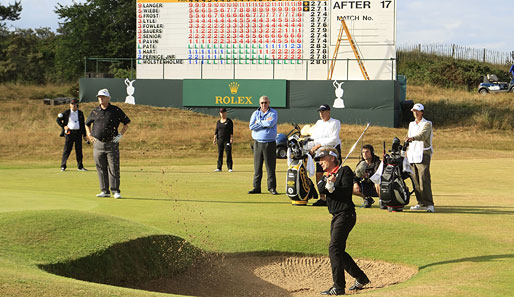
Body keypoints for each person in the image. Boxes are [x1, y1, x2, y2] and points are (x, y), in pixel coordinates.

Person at [315, 147, 370, 295]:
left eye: (322, 159)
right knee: (338, 250)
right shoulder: (326, 177)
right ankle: (361, 278)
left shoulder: (344, 171)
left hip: (346, 215)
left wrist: (333, 186)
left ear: (332, 158)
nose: (320, 162)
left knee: (334, 249)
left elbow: (346, 192)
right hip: (336, 217)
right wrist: (329, 184)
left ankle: (338, 287)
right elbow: (320, 189)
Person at [85, 89, 130, 199]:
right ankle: (105, 191)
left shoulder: (115, 110)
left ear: (108, 98)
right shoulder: (95, 111)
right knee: (101, 167)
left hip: (111, 144)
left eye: (103, 97)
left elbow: (126, 123)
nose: (100, 98)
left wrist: (119, 136)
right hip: (98, 144)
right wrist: (89, 135)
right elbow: (87, 124)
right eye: (99, 97)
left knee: (113, 167)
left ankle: (115, 191)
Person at [309, 104, 341, 206]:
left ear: (328, 111)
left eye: (323, 111)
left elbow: (333, 139)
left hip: (332, 150)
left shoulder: (335, 122)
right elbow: (314, 137)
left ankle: (334, 196)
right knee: (319, 173)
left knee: (333, 173)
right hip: (320, 151)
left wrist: (319, 144)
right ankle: (322, 198)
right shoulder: (318, 123)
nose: (321, 114)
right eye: (320, 112)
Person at [405, 103, 435, 213]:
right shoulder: (411, 124)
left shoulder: (427, 124)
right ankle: (421, 202)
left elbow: (423, 136)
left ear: (422, 112)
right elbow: (408, 138)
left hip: (423, 154)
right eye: (414, 111)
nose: (415, 113)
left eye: (417, 111)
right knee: (415, 180)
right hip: (412, 155)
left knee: (424, 179)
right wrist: (407, 151)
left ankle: (429, 204)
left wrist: (412, 138)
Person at [248, 95, 278, 195]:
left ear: (269, 103)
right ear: (259, 103)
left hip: (269, 143)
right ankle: (256, 187)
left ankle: (271, 187)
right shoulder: (255, 113)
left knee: (270, 167)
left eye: (265, 102)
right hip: (257, 143)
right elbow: (252, 126)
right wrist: (264, 122)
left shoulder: (273, 112)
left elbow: (271, 123)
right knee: (257, 167)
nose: (264, 104)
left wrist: (259, 122)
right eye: (262, 103)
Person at [56, 99, 88, 172]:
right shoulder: (67, 112)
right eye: (72, 104)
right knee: (67, 150)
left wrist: (84, 135)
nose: (73, 105)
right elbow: (58, 120)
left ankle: (80, 166)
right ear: (70, 105)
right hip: (69, 133)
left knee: (79, 150)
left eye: (75, 104)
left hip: (78, 133)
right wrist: (64, 126)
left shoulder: (80, 113)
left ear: (77, 105)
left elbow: (82, 124)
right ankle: (63, 166)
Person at [213, 108, 233, 172]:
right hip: (220, 140)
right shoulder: (218, 122)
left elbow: (231, 131)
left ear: (225, 113)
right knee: (220, 154)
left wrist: (231, 138)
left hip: (227, 140)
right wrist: (214, 139)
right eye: (221, 113)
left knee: (228, 154)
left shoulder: (229, 121)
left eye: (223, 112)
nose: (222, 114)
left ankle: (230, 168)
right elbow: (216, 131)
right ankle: (219, 167)